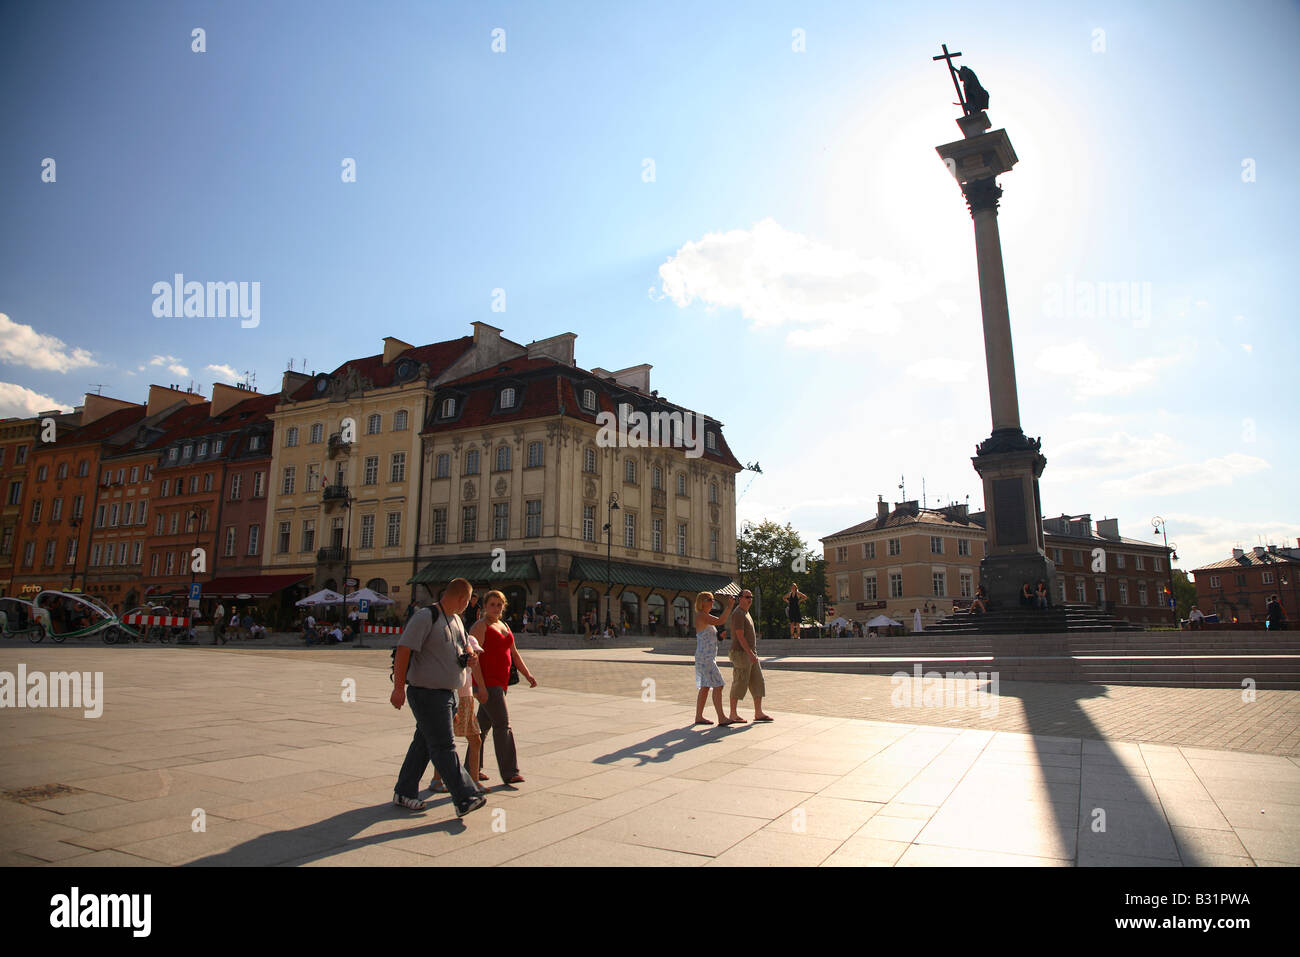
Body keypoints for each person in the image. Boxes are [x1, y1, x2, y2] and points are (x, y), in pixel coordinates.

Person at [390, 577, 486, 818]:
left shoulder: (456, 620)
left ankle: (404, 792)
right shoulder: (426, 616)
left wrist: (471, 657)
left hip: (447, 694)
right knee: (444, 746)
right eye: (469, 601)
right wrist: (398, 687)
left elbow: (466, 648)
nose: (469, 605)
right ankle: (465, 796)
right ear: (463, 599)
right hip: (426, 693)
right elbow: (403, 649)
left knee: (423, 744)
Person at [471, 590, 537, 786]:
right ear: (485, 606)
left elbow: (514, 654)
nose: (496, 608)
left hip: (501, 683)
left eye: (499, 604)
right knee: (503, 725)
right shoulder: (480, 627)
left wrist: (527, 674)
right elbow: (473, 661)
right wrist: (480, 687)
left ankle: (471, 768)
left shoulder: (504, 625)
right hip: (488, 684)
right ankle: (510, 772)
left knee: (482, 727)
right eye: (492, 604)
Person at [432, 624, 490, 795]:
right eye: (474, 652)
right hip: (459, 700)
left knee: (473, 741)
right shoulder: (459, 660)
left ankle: (471, 780)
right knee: (449, 742)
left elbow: (474, 673)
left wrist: (481, 689)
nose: (477, 655)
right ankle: (440, 779)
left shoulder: (469, 663)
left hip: (467, 700)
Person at [693, 591, 738, 726]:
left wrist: (719, 637)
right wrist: (730, 606)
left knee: (705, 686)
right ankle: (721, 717)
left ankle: (699, 716)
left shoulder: (705, 616)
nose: (712, 601)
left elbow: (707, 634)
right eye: (709, 599)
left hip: (705, 656)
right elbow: (721, 621)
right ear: (701, 602)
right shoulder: (702, 616)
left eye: (712, 599)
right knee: (719, 685)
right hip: (706, 658)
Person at [728, 590, 772, 723]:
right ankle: (733, 714)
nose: (750, 599)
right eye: (747, 597)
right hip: (741, 653)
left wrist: (752, 653)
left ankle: (758, 713)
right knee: (740, 682)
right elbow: (740, 636)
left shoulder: (746, 613)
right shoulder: (738, 613)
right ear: (739, 598)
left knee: (758, 682)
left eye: (751, 597)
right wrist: (750, 653)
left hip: (751, 653)